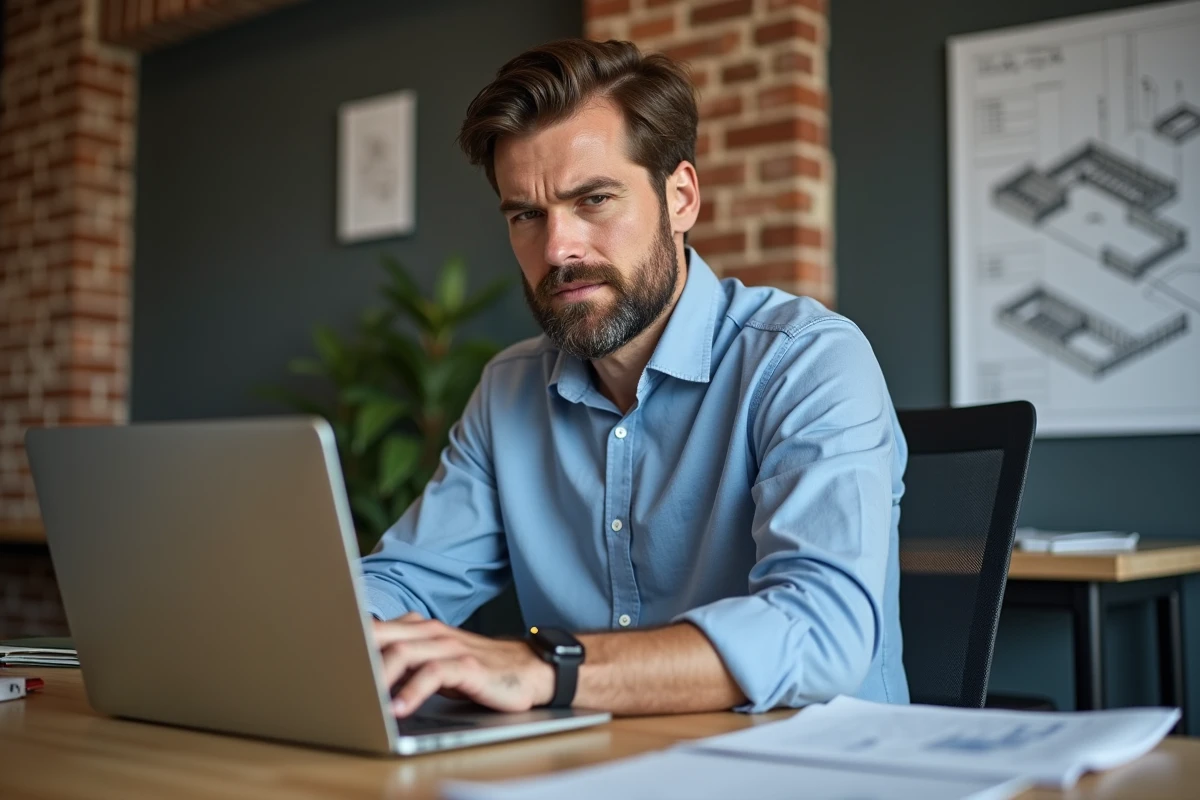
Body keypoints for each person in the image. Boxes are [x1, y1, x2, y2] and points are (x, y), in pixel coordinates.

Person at [361, 38, 908, 718]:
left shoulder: (806, 360)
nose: (557, 247)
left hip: (818, 772)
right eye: (526, 215)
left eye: (593, 199)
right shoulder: (508, 391)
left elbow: (820, 632)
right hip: (603, 768)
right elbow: (406, 579)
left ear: (680, 198)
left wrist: (546, 669)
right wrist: (321, 632)